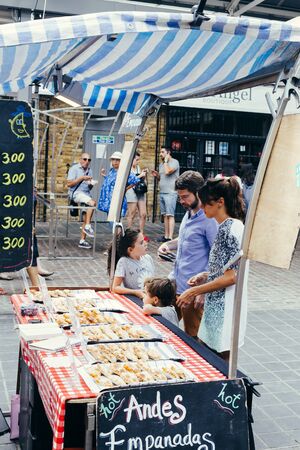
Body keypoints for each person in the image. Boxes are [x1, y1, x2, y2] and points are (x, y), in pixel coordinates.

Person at [177, 178, 247, 361]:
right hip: (218, 308)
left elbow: (232, 277)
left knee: (218, 361)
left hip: (223, 309)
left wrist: (194, 291)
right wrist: (205, 275)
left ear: (220, 202)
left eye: (205, 203)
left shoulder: (230, 229)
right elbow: (226, 269)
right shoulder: (227, 227)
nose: (201, 208)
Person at [158, 171, 218, 337]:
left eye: (185, 197)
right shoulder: (189, 212)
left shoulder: (209, 219)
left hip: (193, 291)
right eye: (180, 197)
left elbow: (217, 256)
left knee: (193, 337)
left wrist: (203, 291)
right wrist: (168, 245)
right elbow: (186, 239)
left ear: (198, 193)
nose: (181, 201)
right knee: (166, 329)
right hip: (176, 284)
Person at [98, 151, 147, 219]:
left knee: (115, 220)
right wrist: (105, 176)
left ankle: (119, 230)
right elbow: (113, 181)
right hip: (108, 199)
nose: (115, 161)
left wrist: (126, 189)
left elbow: (135, 180)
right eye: (113, 159)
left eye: (117, 160)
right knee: (110, 219)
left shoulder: (124, 171)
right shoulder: (112, 170)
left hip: (116, 199)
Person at [108, 228, 155, 299]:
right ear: (130, 249)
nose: (145, 244)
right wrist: (135, 292)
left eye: (144, 240)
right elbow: (115, 287)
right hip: (136, 299)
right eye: (141, 243)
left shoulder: (148, 258)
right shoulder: (124, 262)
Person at [67, 153, 96, 249]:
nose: (87, 161)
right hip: (76, 193)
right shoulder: (74, 169)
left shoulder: (90, 170)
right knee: (93, 203)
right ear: (80, 159)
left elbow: (88, 188)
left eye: (89, 160)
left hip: (86, 194)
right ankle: (88, 226)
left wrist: (91, 184)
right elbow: (69, 184)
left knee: (86, 217)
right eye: (85, 159)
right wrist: (81, 178)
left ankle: (82, 241)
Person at [151, 146, 180, 242]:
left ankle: (170, 237)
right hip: (162, 192)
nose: (160, 154)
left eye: (163, 152)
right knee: (165, 216)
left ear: (168, 153)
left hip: (171, 192)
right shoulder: (161, 164)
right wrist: (157, 176)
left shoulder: (174, 162)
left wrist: (166, 162)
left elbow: (168, 172)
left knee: (170, 215)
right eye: (160, 152)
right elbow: (163, 178)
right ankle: (166, 236)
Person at [126, 151, 149, 241]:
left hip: (140, 191)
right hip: (131, 191)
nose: (138, 162)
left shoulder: (138, 168)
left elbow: (141, 180)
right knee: (132, 214)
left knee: (143, 214)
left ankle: (141, 234)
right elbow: (128, 181)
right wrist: (140, 175)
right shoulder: (128, 169)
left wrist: (144, 175)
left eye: (138, 160)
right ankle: (128, 234)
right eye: (136, 160)